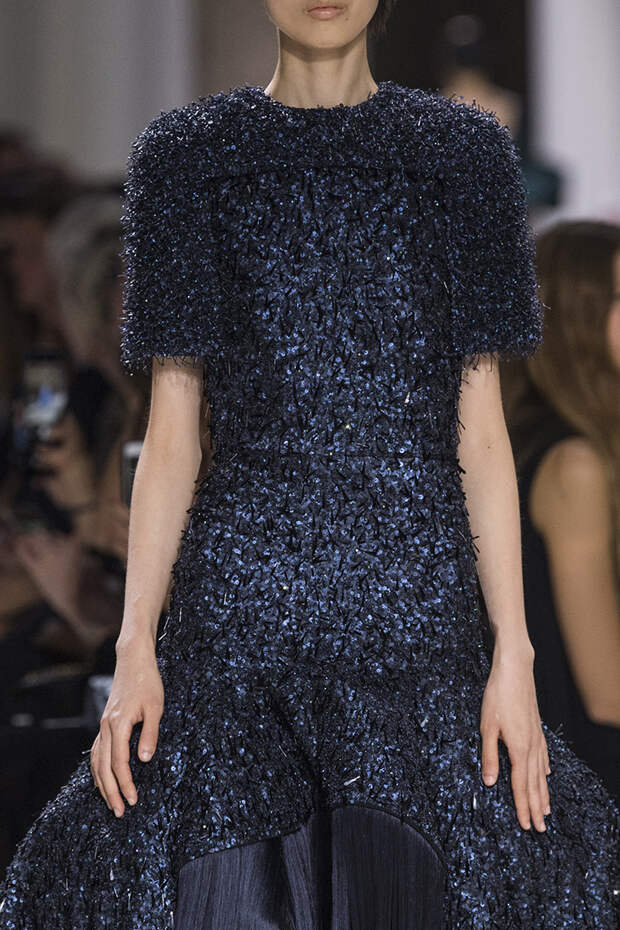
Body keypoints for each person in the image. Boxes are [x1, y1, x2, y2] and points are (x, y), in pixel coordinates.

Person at [1, 1, 619, 926]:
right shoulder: (187, 154)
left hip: (418, 613)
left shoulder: (463, 156)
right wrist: (135, 646)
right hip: (238, 614)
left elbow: (481, 430)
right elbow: (173, 431)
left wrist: (514, 653)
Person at [504, 220, 620, 807]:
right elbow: (607, 690)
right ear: (576, 316)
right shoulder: (574, 463)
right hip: (591, 790)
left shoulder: (541, 443)